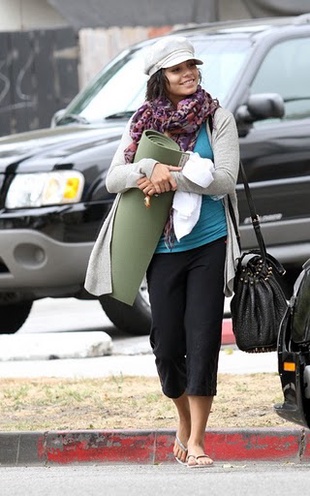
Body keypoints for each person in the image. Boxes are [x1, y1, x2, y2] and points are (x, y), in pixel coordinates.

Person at [86, 35, 240, 467]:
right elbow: (115, 178)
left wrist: (172, 177)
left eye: (191, 65)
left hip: (209, 243)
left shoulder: (217, 117)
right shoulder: (143, 121)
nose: (188, 73)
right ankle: (182, 420)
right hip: (161, 248)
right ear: (160, 78)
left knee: (203, 338)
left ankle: (198, 440)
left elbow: (225, 179)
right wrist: (146, 168)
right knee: (168, 345)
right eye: (177, 69)